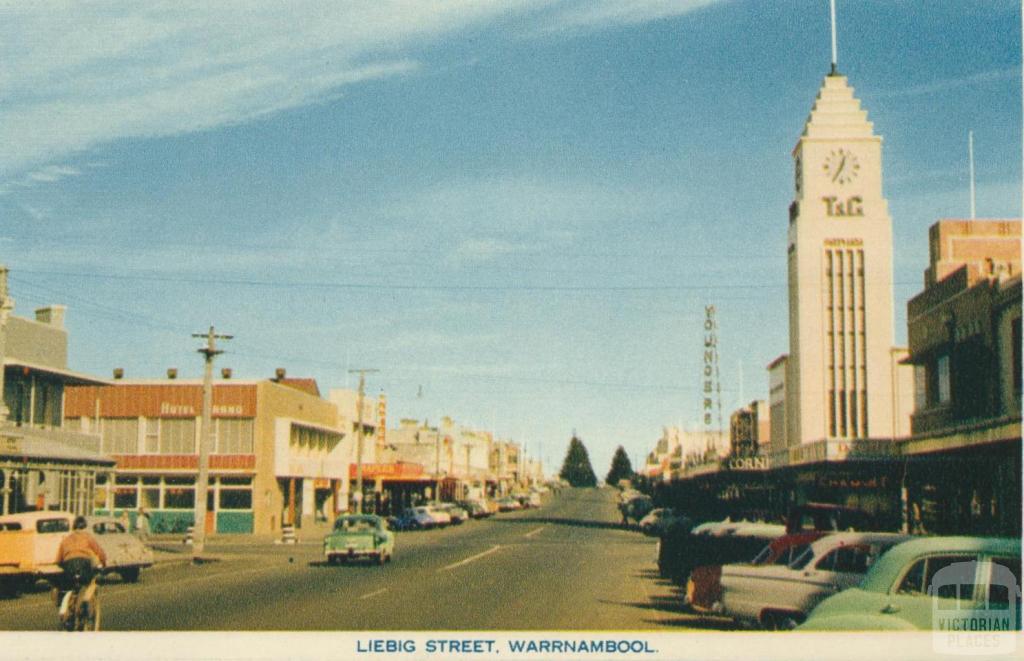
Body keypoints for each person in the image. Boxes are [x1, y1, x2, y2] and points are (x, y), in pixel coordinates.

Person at [56, 516, 107, 617]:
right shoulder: (88, 537)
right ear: (85, 526)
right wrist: (104, 563)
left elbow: (58, 560)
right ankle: (86, 600)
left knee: (69, 587)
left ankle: (65, 610)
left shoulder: (66, 539)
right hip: (84, 564)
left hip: (69, 565)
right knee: (91, 582)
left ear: (74, 527)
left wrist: (64, 566)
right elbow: (100, 552)